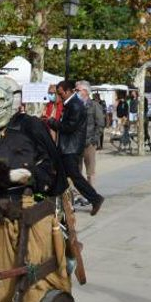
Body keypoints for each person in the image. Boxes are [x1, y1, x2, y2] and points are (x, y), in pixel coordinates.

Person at [47, 80, 104, 215]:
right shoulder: (70, 104)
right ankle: (59, 202)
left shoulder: (75, 106)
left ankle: (95, 198)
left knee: (75, 176)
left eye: (60, 94)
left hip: (70, 148)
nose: (58, 96)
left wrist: (52, 123)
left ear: (67, 92)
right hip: (67, 147)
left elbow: (69, 127)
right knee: (61, 175)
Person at [78, 81, 104, 190]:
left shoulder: (94, 105)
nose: (75, 92)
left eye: (77, 90)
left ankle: (91, 194)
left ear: (85, 91)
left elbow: (100, 123)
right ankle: (78, 193)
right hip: (77, 143)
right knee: (77, 171)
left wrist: (95, 139)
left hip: (89, 143)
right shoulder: (76, 105)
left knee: (90, 171)